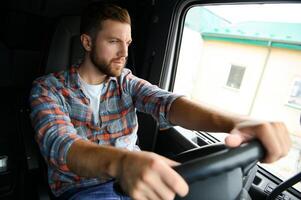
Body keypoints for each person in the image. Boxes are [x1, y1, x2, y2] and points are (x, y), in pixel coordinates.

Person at [29, 2, 291, 200]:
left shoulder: (126, 81)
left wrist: (238, 121)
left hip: (141, 183)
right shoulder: (47, 89)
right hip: (83, 189)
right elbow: (62, 147)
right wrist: (122, 163)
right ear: (87, 42)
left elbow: (168, 103)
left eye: (128, 43)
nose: (124, 53)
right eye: (113, 42)